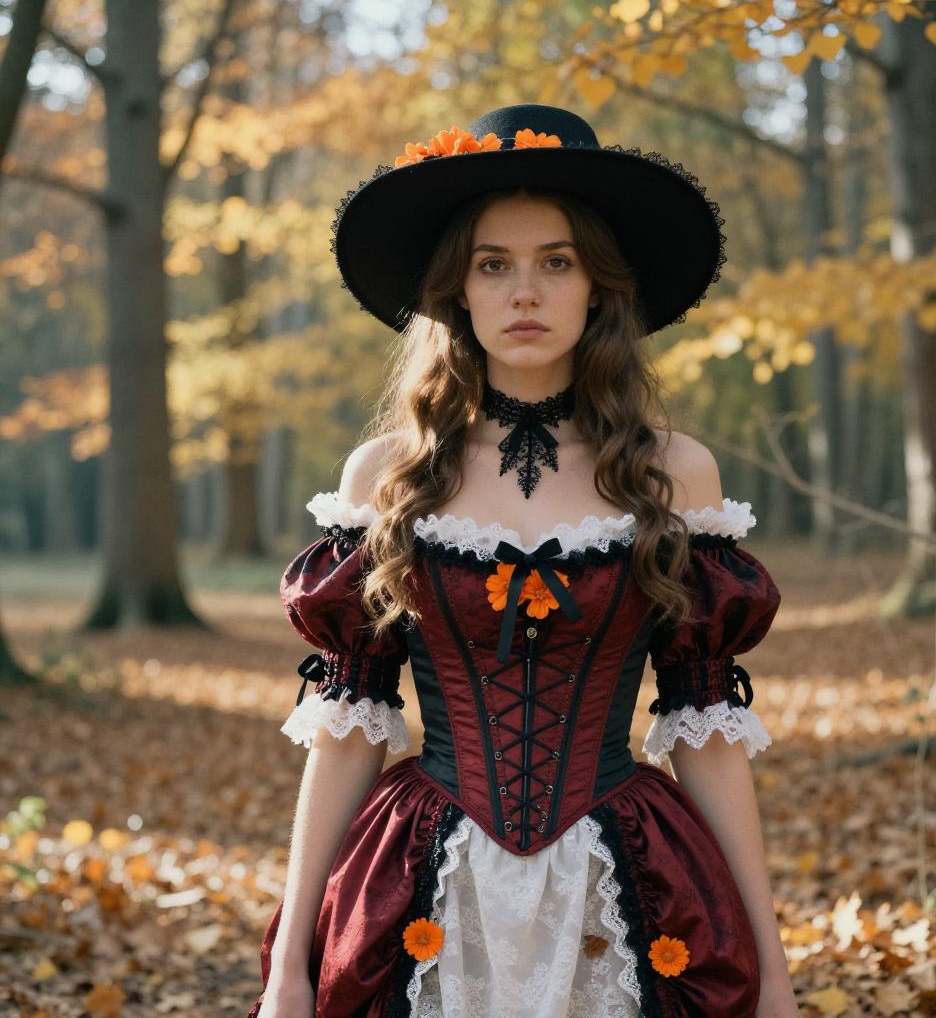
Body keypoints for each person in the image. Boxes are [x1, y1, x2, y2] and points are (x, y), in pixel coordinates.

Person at [247, 103, 797, 1018]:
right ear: (457, 290)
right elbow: (348, 732)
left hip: (624, 887)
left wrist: (771, 972)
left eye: (557, 262)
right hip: (425, 893)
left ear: (598, 287)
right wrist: (290, 968)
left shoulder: (672, 473)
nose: (525, 294)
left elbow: (708, 737)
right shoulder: (388, 475)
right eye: (492, 265)